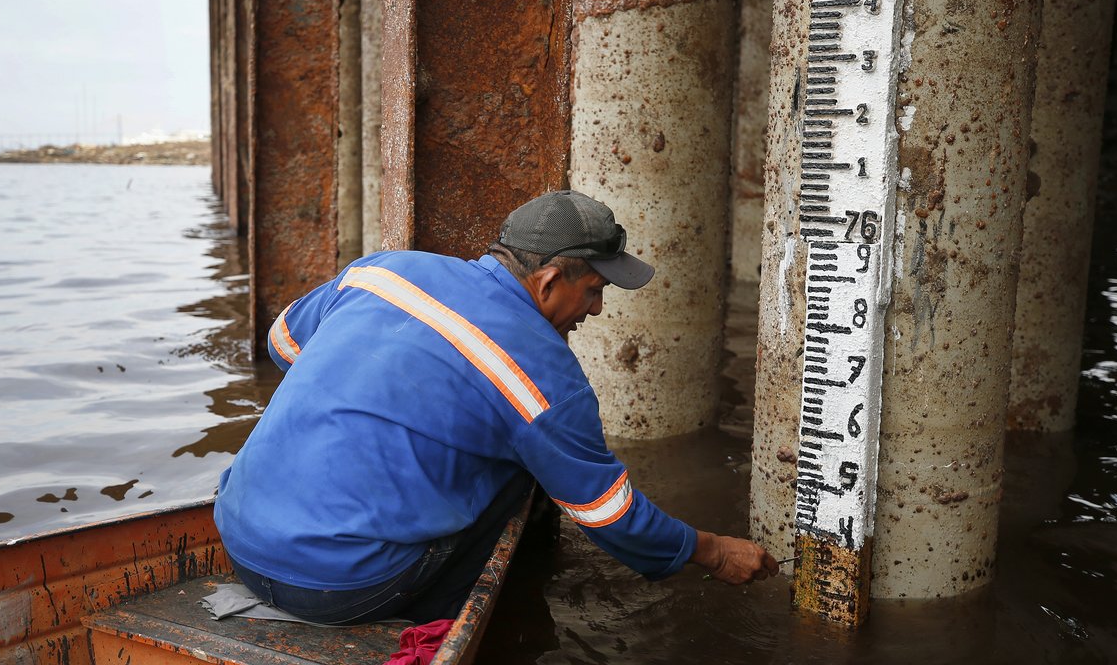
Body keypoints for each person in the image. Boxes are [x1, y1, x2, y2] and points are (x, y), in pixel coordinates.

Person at [214, 190, 779, 625]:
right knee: (524, 474)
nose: (599, 309)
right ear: (550, 280)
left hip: (237, 536)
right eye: (595, 290)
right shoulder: (548, 382)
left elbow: (284, 343)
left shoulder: (383, 271)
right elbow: (609, 516)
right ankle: (459, 617)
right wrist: (712, 550)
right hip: (342, 589)